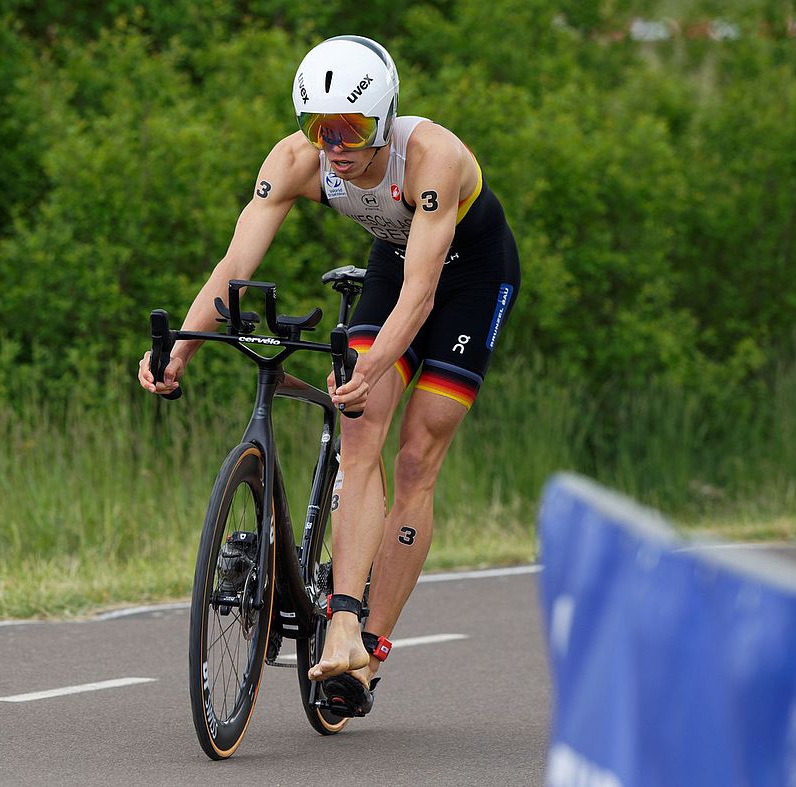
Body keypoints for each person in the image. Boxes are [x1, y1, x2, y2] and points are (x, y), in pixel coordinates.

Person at [138, 35, 520, 716]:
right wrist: (184, 348)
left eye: (350, 129)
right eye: (319, 127)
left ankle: (366, 644)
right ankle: (340, 612)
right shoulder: (295, 159)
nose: (334, 145)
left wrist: (376, 363)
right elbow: (234, 267)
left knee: (416, 454)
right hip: (394, 263)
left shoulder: (433, 155)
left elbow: (424, 292)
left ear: (386, 118)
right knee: (360, 427)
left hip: (469, 276)